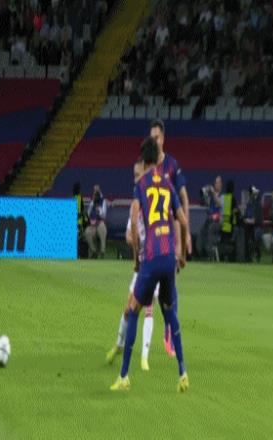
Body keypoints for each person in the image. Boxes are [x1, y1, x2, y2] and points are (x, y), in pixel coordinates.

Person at [110, 137, 189, 393]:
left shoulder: (140, 185)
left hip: (152, 257)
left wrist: (136, 258)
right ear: (158, 160)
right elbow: (182, 219)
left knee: (133, 309)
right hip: (169, 257)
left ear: (144, 161)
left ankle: (124, 376)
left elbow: (134, 221)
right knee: (170, 312)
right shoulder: (168, 184)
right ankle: (182, 372)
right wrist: (182, 254)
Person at [106, 161, 161, 372]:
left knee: (149, 308)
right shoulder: (135, 205)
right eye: (134, 175)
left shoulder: (156, 201)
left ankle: (144, 357)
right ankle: (118, 345)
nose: (136, 179)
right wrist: (133, 240)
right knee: (129, 310)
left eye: (139, 174)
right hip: (141, 264)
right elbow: (129, 233)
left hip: (155, 261)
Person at [150, 119, 191, 356]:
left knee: (170, 282)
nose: (154, 141)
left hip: (170, 232)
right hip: (151, 234)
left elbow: (183, 197)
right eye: (151, 138)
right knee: (154, 288)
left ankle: (170, 330)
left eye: (157, 137)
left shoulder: (172, 166)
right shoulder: (147, 164)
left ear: (163, 139)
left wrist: (186, 233)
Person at [84, 184, 107, 259]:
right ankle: (93, 250)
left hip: (100, 223)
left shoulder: (103, 201)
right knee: (87, 232)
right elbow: (88, 214)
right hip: (92, 225)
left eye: (96, 191)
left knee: (103, 230)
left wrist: (99, 211)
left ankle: (102, 251)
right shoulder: (92, 202)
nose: (94, 194)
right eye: (94, 191)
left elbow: (104, 215)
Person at [243, 185, 262, 262]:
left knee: (252, 235)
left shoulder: (257, 204)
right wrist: (245, 220)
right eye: (251, 193)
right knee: (244, 232)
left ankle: (254, 254)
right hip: (249, 227)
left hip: (257, 227)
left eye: (253, 193)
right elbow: (245, 216)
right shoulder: (248, 204)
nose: (252, 195)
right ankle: (246, 256)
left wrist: (248, 220)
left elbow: (256, 220)